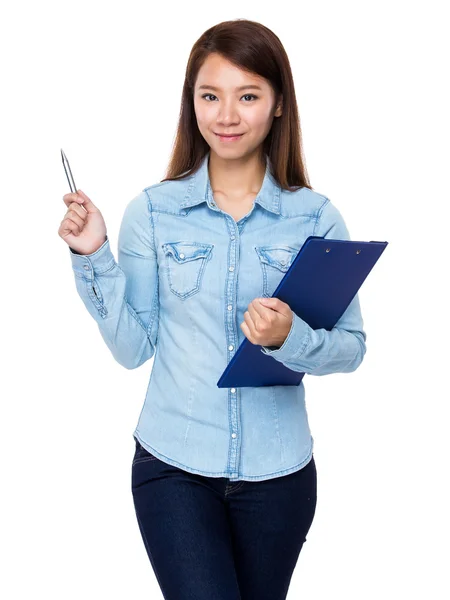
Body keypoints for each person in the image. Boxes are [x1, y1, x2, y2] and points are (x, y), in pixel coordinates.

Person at [58, 18, 367, 600]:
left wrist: (289, 337)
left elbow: (351, 347)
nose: (226, 115)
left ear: (278, 105)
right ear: (192, 102)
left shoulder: (316, 218)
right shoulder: (152, 212)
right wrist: (93, 254)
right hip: (173, 466)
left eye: (247, 96)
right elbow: (131, 349)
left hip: (280, 477)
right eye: (210, 95)